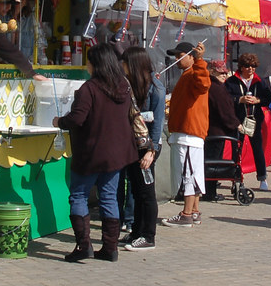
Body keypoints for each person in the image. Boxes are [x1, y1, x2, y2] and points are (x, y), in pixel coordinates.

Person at [54, 43, 140, 262]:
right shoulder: (123, 86)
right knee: (109, 196)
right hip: (117, 151)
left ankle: (84, 246)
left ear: (95, 64)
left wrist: (60, 121)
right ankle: (110, 247)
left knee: (79, 195)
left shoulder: (89, 89)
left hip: (91, 151)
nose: (87, 66)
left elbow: (77, 119)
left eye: (89, 62)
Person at [119, 47, 164, 252]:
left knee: (146, 192)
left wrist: (150, 152)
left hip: (148, 148)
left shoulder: (156, 88)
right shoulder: (130, 85)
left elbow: (157, 124)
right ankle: (136, 231)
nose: (122, 66)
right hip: (133, 145)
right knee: (136, 190)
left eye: (126, 62)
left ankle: (148, 235)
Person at [162, 41, 210, 227]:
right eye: (176, 56)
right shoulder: (187, 75)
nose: (177, 59)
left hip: (189, 133)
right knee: (193, 172)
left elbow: (204, 83)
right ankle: (194, 210)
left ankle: (187, 213)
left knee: (188, 173)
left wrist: (200, 60)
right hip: (187, 132)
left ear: (190, 56)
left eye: (180, 55)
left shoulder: (195, 73)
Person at [226, 53, 271, 190]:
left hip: (254, 120)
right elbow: (226, 98)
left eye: (253, 66)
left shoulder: (260, 81)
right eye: (247, 66)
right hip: (238, 121)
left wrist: (258, 100)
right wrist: (239, 99)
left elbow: (268, 98)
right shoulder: (232, 81)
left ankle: (262, 178)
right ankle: (236, 179)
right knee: (236, 151)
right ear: (241, 67)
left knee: (258, 149)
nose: (250, 69)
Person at [203, 60, 240, 201]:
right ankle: (210, 192)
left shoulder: (216, 86)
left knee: (211, 161)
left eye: (225, 72)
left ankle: (209, 190)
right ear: (212, 72)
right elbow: (224, 111)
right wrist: (236, 125)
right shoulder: (216, 88)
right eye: (221, 72)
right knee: (213, 162)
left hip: (215, 129)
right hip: (216, 131)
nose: (224, 75)